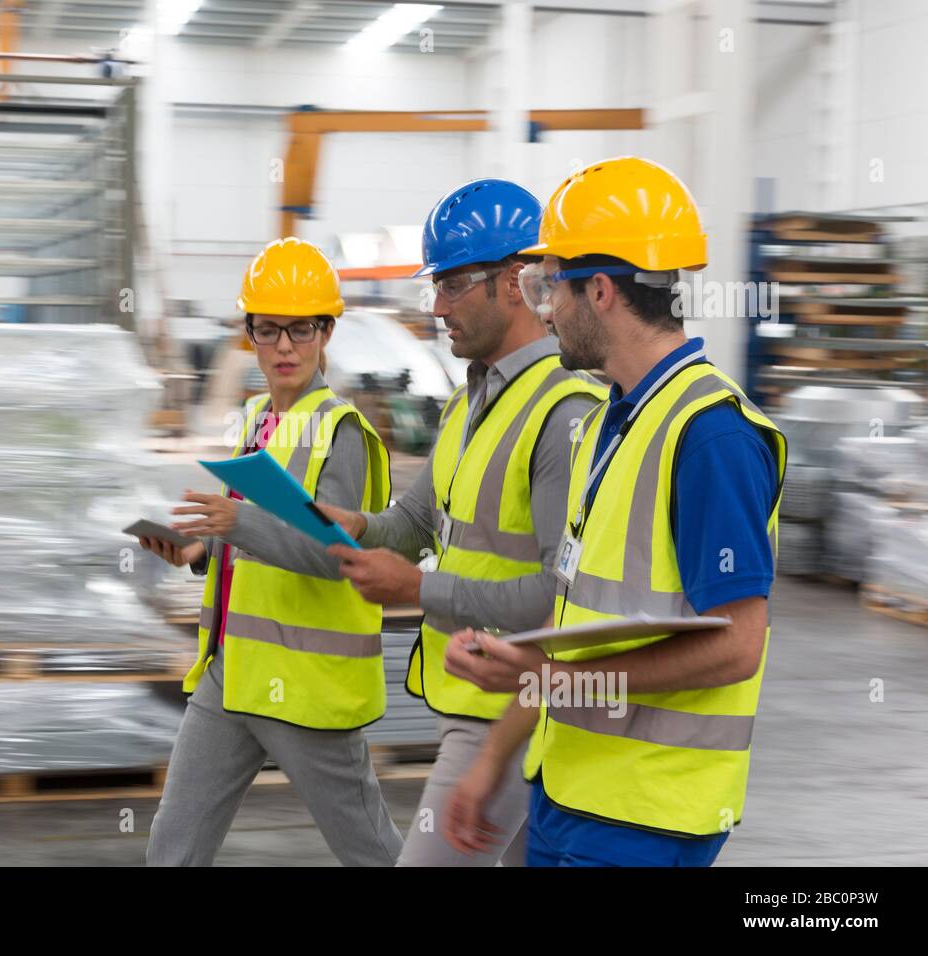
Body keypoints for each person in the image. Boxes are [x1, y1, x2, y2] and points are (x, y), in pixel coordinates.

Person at [442, 156, 787, 867]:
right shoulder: (611, 422)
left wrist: (553, 682)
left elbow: (737, 645)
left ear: (599, 291)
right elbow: (575, 620)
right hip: (570, 791)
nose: (544, 310)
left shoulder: (710, 435)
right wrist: (495, 753)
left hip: (643, 818)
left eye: (552, 287)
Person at [319, 180, 605, 866]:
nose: (436, 307)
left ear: (514, 282)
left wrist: (419, 592)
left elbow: (562, 598)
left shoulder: (562, 414)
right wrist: (353, 524)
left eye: (451, 286)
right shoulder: (469, 401)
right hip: (477, 701)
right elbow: (418, 524)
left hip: (515, 707)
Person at [142, 237, 403, 866]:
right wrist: (199, 552)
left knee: (372, 853)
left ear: (326, 332)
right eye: (268, 330)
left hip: (306, 685)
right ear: (249, 335)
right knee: (171, 844)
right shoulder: (255, 417)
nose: (284, 346)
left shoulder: (341, 432)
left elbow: (332, 554)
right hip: (233, 676)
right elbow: (248, 548)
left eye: (300, 329)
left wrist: (236, 521)